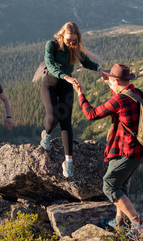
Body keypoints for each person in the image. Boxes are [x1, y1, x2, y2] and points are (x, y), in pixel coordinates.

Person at [72, 63, 143, 237]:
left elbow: (91, 114)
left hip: (126, 150)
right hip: (141, 150)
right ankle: (119, 223)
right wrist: (110, 83)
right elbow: (120, 95)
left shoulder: (120, 100)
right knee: (120, 185)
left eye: (111, 80)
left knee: (109, 186)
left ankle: (138, 224)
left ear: (116, 80)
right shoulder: (137, 93)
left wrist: (80, 93)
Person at [40, 22, 103, 178]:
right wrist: (66, 76)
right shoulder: (52, 45)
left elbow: (86, 62)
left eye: (74, 40)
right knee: (53, 116)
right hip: (50, 85)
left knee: (66, 122)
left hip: (66, 86)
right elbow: (50, 65)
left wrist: (100, 69)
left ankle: (68, 162)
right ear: (62, 35)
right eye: (69, 39)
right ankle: (46, 134)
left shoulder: (75, 48)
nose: (71, 42)